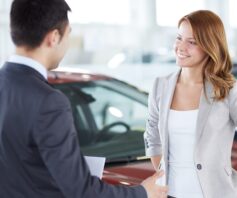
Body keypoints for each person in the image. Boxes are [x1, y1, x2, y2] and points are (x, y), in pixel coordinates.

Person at [0, 0, 168, 198]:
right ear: (54, 37)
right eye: (68, 33)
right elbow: (81, 191)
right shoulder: (49, 102)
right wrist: (142, 192)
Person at [144, 10, 237, 198]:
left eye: (191, 42)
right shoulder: (160, 86)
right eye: (179, 38)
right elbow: (152, 138)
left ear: (210, 46)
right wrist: (164, 177)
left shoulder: (227, 91)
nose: (180, 47)